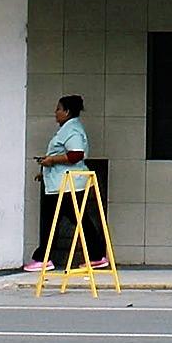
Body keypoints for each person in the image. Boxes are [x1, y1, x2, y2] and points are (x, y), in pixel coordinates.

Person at [25, 94, 109, 273]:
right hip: (62, 183)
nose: (55, 113)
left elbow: (75, 154)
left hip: (66, 185)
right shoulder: (68, 128)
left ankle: (44, 258)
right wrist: (46, 170)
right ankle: (96, 255)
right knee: (78, 220)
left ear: (67, 112)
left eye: (58, 109)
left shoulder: (72, 130)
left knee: (52, 221)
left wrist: (51, 161)